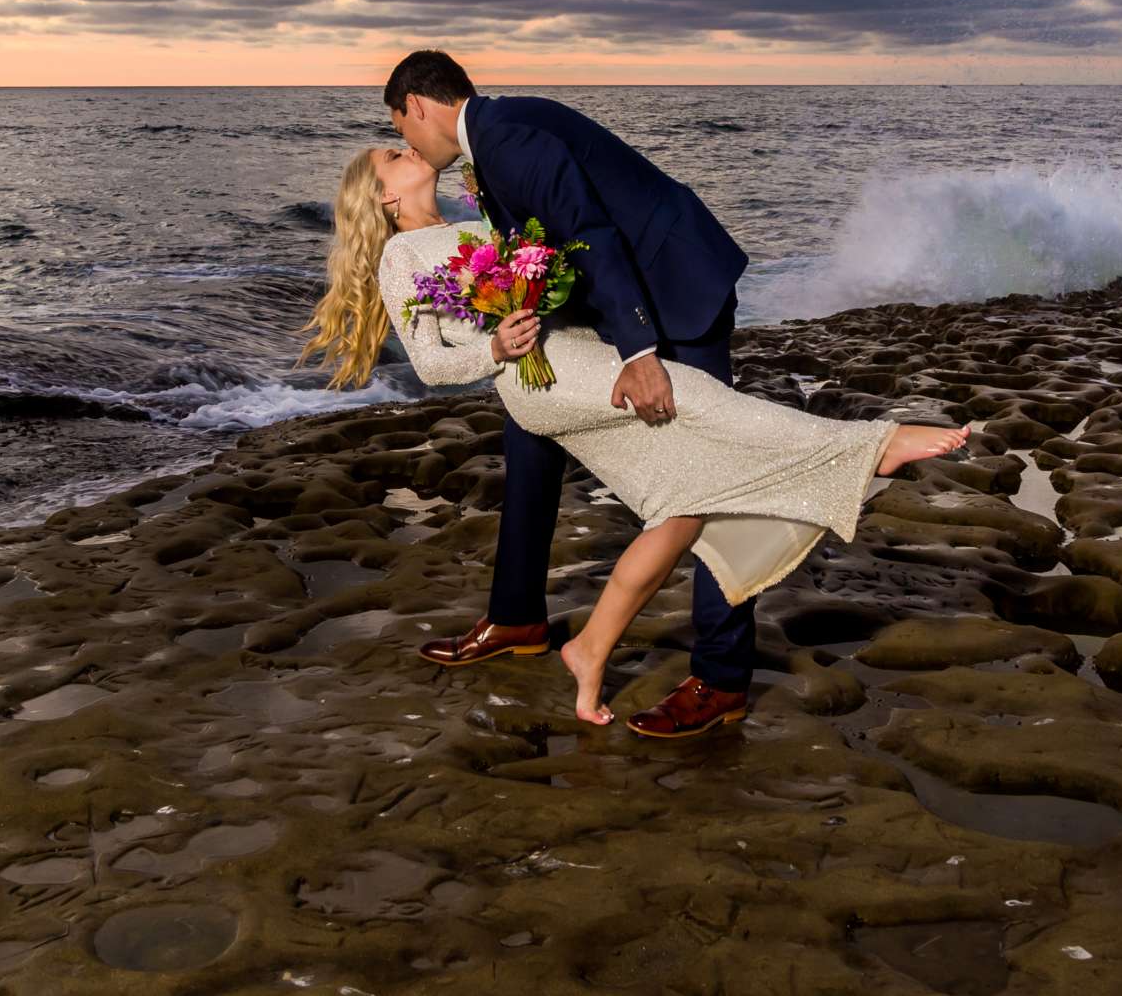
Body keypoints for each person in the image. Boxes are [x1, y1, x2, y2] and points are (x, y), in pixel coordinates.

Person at [301, 52, 966, 731]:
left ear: (416, 104)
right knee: (540, 446)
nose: (404, 144)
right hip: (574, 344)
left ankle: (716, 674)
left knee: (698, 466)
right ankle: (518, 614)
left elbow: (586, 232)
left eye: (397, 132)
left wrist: (636, 349)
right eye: (394, 153)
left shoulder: (500, 144)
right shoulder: (492, 146)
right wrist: (513, 339)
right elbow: (519, 280)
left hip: (674, 289)